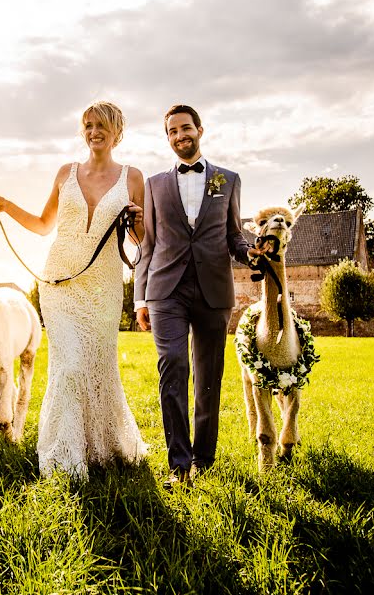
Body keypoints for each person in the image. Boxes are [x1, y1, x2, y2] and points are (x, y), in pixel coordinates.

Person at [0, 101, 148, 480]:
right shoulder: (65, 173)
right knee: (69, 365)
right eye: (88, 125)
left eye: (101, 125)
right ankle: (63, 453)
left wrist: (139, 223)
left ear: (117, 130)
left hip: (103, 286)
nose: (94, 131)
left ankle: (101, 445)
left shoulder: (133, 178)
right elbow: (43, 225)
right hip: (59, 284)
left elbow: (141, 240)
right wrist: (6, 206)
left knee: (97, 366)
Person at [134, 104, 257, 487]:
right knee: (172, 364)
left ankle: (204, 460)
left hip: (213, 290)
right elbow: (147, 245)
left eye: (185, 128)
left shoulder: (228, 180)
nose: (179, 136)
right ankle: (179, 466)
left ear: (200, 130)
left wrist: (251, 252)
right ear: (167, 137)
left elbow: (234, 235)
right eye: (172, 131)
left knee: (208, 377)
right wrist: (140, 297)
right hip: (165, 290)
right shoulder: (154, 185)